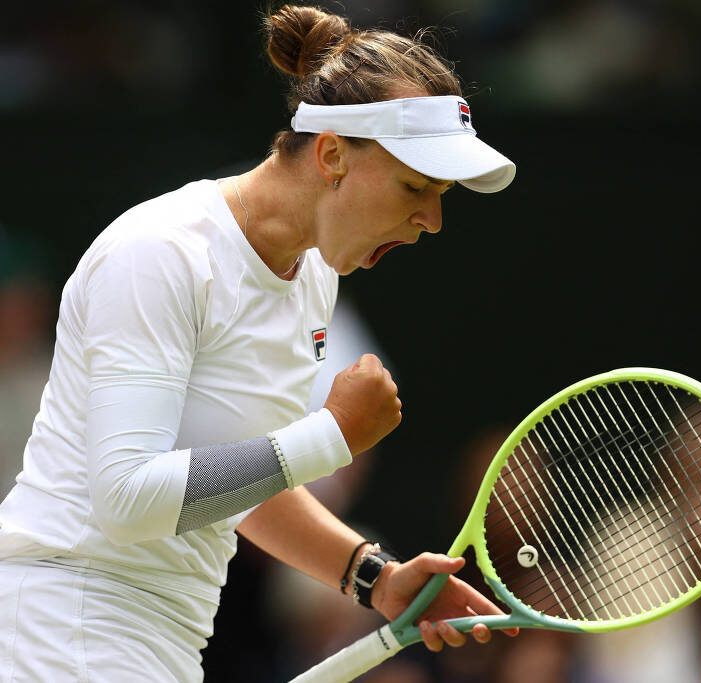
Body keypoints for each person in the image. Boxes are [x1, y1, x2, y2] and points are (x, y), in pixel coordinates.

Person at [0, 4, 518, 681]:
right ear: (332, 154)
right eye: (416, 187)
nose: (432, 219)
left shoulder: (312, 279)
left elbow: (238, 481)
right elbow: (126, 499)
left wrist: (371, 576)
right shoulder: (161, 253)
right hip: (62, 627)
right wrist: (331, 435)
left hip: (157, 638)